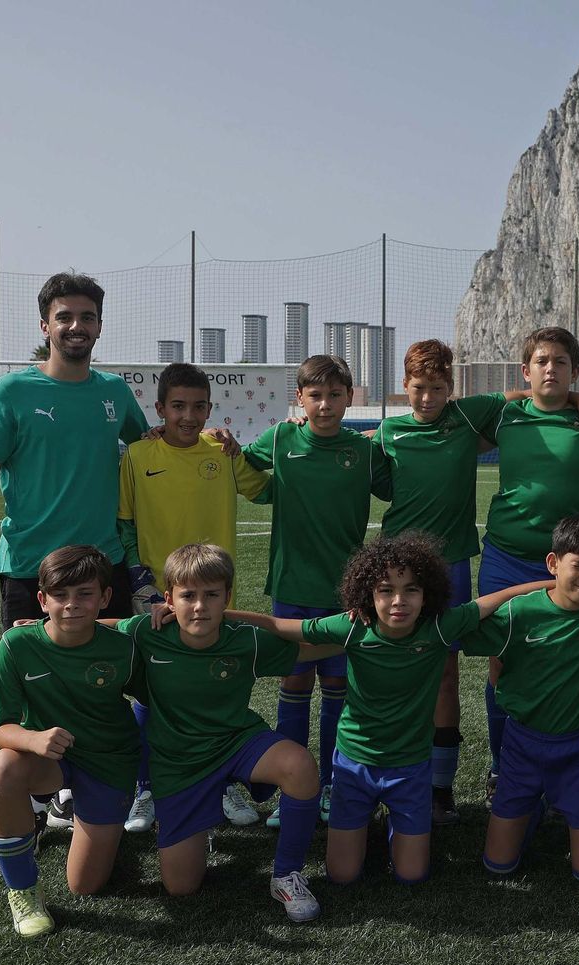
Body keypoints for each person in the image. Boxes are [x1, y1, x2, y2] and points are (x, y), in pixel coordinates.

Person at [228, 534, 555, 886]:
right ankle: (365, 825)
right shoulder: (353, 626)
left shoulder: (441, 627)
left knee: (412, 875)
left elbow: (502, 597)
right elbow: (280, 626)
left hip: (411, 767)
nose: (399, 601)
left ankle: (393, 827)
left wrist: (560, 582)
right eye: (385, 590)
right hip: (355, 764)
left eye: (411, 590)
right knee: (342, 875)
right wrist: (220, 614)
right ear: (368, 594)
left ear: (427, 593)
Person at [373, 338, 579, 826]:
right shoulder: (389, 431)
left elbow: (518, 397)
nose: (428, 398)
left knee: (450, 671)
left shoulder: (471, 415)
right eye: (418, 388)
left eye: (437, 388)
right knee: (384, 667)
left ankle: (442, 787)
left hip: (452, 561)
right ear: (404, 388)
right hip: (397, 566)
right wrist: (300, 422)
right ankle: (370, 774)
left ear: (451, 390)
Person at [0, 272, 150, 833]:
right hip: (29, 568)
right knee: (35, 681)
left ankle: (127, 782)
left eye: (87, 317)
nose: (77, 326)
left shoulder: (114, 394)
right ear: (45, 325)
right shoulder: (12, 392)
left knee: (121, 674)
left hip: (104, 566)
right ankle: (45, 795)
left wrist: (215, 438)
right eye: (65, 317)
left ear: (99, 325)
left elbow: (153, 445)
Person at [122, 545, 330, 921]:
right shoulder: (147, 633)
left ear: (227, 597)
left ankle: (286, 874)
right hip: (179, 762)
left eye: (211, 595)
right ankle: (201, 819)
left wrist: (378, 632)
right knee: (180, 888)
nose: (199, 606)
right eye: (188, 596)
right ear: (168, 599)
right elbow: (103, 631)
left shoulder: (244, 640)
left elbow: (307, 649)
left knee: (298, 765)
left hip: (236, 742)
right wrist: (44, 627)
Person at [116, 362, 271, 833]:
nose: (188, 416)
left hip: (214, 593)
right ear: (159, 408)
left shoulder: (220, 450)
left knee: (216, 685)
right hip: (158, 596)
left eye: (198, 406)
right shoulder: (137, 455)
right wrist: (141, 582)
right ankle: (146, 786)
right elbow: (124, 523)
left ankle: (221, 778)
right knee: (153, 688)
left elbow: (263, 492)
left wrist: (249, 447)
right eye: (177, 406)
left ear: (210, 407)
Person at [241, 355, 392, 827]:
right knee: (293, 684)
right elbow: (240, 468)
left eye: (335, 395)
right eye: (315, 395)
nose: (325, 405)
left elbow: (399, 489)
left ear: (349, 396)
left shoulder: (365, 452)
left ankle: (330, 784)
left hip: (346, 594)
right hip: (291, 587)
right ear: (300, 400)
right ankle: (293, 790)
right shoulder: (282, 437)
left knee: (337, 689)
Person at [478, 327, 579, 803]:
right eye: (541, 361)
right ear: (526, 370)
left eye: (561, 362)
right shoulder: (506, 413)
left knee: (576, 658)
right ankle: (505, 765)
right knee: (502, 663)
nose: (550, 369)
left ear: (574, 370)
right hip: (507, 555)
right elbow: (451, 415)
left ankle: (576, 767)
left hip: (573, 562)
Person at [463, 515, 579, 886]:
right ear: (554, 563)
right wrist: (525, 590)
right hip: (521, 744)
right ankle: (530, 805)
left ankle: (555, 804)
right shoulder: (519, 612)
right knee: (498, 866)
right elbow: (457, 624)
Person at [0, 546, 141, 938]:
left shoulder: (124, 647)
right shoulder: (17, 644)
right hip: (50, 758)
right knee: (5, 766)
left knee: (85, 886)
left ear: (104, 598)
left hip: (109, 762)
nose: (72, 605)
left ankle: (99, 817)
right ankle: (22, 892)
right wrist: (33, 739)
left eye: (85, 594)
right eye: (60, 595)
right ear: (42, 599)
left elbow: (157, 700)